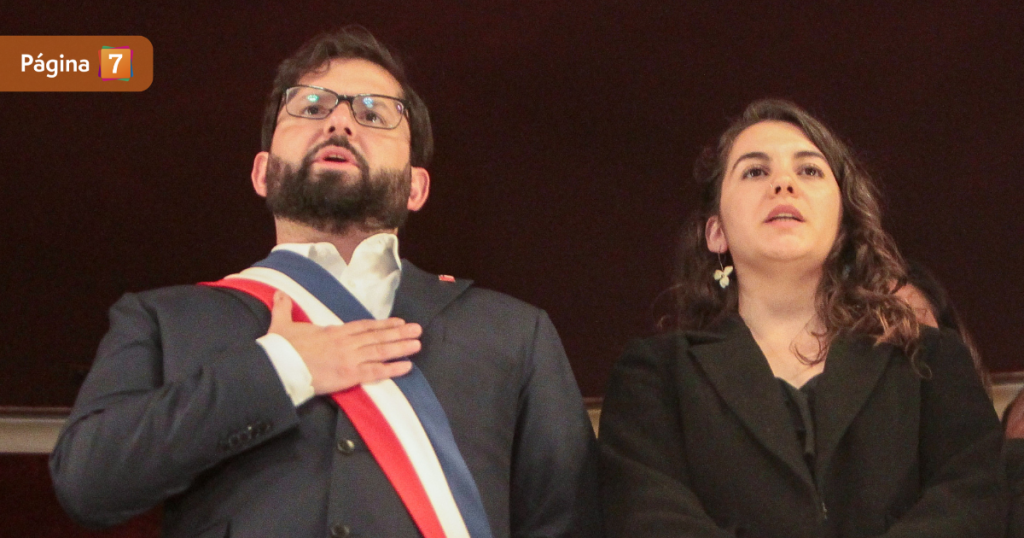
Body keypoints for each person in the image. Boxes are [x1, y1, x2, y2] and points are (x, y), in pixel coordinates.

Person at [50, 27, 601, 538]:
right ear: (263, 173)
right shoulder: (162, 319)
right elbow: (88, 483)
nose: (339, 123)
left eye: (374, 113)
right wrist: (279, 369)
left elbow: (568, 524)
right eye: (311, 107)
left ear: (416, 187)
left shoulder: (514, 332)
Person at [599, 99, 1006, 537]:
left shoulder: (930, 361)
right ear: (716, 232)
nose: (784, 184)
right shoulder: (655, 375)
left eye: (809, 170)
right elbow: (649, 516)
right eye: (755, 172)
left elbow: (973, 499)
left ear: (845, 222)